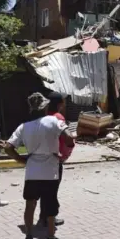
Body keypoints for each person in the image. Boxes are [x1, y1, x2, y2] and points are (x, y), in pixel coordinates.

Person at [4, 93, 76, 239]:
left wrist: (21, 160)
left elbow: (8, 147)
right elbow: (70, 139)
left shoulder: (24, 126)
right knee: (49, 207)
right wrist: (62, 155)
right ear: (45, 106)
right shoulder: (55, 121)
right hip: (50, 170)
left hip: (32, 172)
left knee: (30, 205)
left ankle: (28, 238)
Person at [38, 91, 74, 227]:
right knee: (52, 191)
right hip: (54, 159)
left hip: (42, 158)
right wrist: (64, 156)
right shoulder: (58, 117)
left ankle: (43, 217)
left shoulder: (45, 117)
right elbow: (65, 139)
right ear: (60, 104)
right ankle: (49, 218)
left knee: (45, 190)